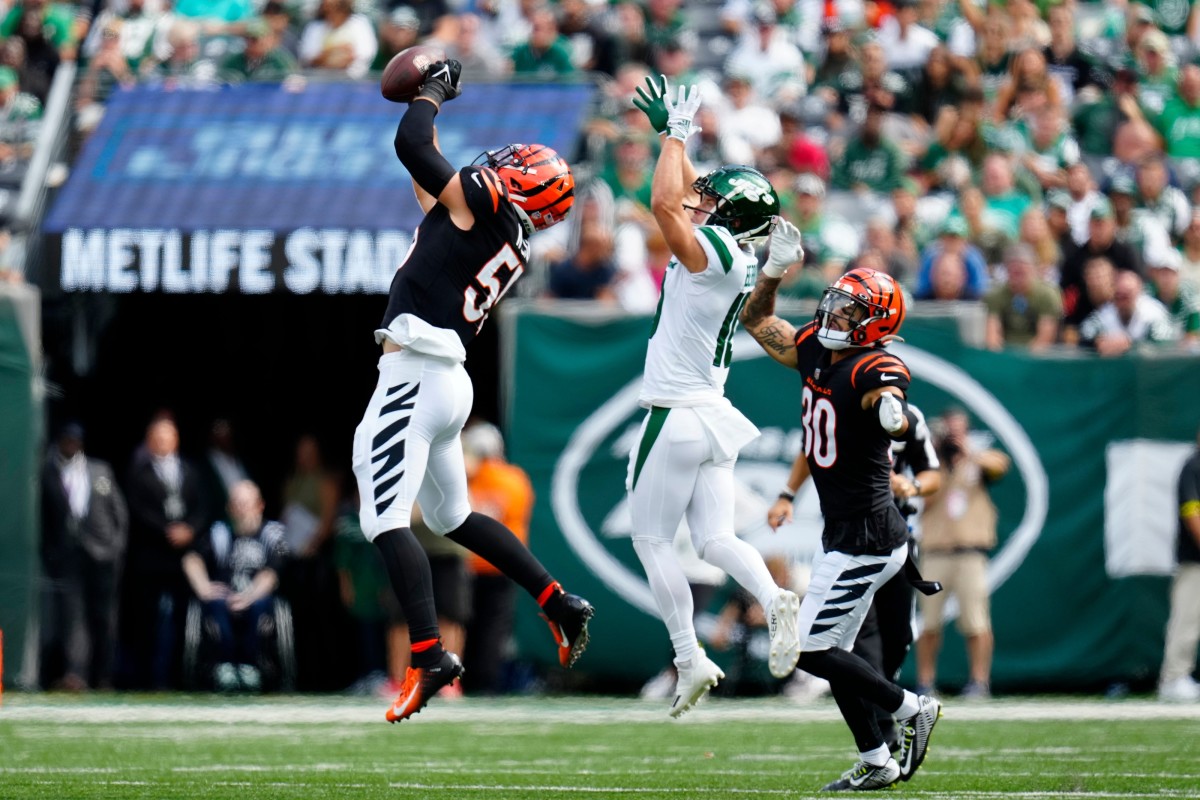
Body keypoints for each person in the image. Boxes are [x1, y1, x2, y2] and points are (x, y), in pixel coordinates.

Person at [354, 58, 592, 723]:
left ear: (517, 184)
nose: (500, 160)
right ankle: (556, 600)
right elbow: (423, 178)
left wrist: (431, 91)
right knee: (453, 516)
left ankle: (429, 654)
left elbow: (412, 145)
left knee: (383, 518)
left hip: (418, 372)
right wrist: (425, 102)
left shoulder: (484, 205)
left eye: (515, 161)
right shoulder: (502, 230)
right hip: (446, 379)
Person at [627, 74, 802, 718]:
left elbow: (668, 208)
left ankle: (688, 656)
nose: (700, 198)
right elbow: (693, 196)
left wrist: (677, 133)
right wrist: (677, 143)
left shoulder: (716, 252)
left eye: (712, 198)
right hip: (710, 415)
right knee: (714, 539)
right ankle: (774, 595)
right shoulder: (736, 249)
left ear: (726, 215)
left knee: (651, 541)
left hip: (674, 414)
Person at [740, 262, 942, 790]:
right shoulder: (815, 348)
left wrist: (892, 413)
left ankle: (911, 707)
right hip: (847, 533)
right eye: (838, 301)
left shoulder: (875, 366)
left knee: (808, 649)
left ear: (875, 322)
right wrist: (775, 272)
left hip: (870, 537)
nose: (836, 312)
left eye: (852, 309)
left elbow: (887, 395)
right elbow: (756, 317)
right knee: (834, 653)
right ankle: (877, 760)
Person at [768, 400, 942, 750]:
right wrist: (787, 494)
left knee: (895, 637)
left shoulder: (907, 417)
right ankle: (886, 733)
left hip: (894, 538)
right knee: (843, 642)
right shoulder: (833, 402)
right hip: (849, 540)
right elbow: (810, 449)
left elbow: (932, 473)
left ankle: (889, 727)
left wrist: (911, 487)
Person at [916, 407, 1010, 699]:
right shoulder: (932, 466)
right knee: (929, 623)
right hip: (935, 552)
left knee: (976, 621)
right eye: (949, 432)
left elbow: (999, 467)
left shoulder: (977, 461)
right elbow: (924, 500)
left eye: (958, 431)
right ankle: (925, 681)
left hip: (971, 553)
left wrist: (965, 451)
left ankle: (979, 681)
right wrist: (936, 454)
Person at [120, 415, 207, 689]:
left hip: (184, 559)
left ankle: (181, 677)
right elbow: (136, 510)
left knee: (184, 619)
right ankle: (147, 679)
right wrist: (166, 531)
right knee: (148, 621)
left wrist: (190, 530)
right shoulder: (138, 473)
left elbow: (203, 506)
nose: (162, 442)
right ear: (149, 441)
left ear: (176, 439)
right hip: (152, 557)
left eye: (167, 436)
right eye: (157, 437)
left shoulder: (191, 470)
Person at [39, 422, 128, 690]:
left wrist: (115, 547)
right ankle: (75, 674)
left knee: (103, 616)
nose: (71, 445)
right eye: (67, 440)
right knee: (72, 616)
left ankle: (104, 675)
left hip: (102, 554)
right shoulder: (49, 471)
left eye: (75, 441)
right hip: (69, 555)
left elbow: (119, 512)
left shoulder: (99, 470)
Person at [182, 480, 286, 692]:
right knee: (215, 602)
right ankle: (225, 664)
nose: (241, 509)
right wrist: (203, 586)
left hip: (258, 597)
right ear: (229, 507)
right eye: (236, 504)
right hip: (224, 597)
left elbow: (272, 573)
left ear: (259, 506)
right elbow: (191, 559)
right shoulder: (218, 532)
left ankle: (250, 664)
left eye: (246, 503)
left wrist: (249, 595)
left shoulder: (272, 534)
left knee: (261, 604)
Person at [461, 421, 535, 695]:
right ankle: (485, 682)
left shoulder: (468, 477)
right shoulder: (514, 478)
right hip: (503, 564)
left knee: (464, 625)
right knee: (493, 628)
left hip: (470, 563)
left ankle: (461, 680)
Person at [1158, 425, 1200, 702]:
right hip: (1195, 560)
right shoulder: (1194, 466)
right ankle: (1174, 679)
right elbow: (1192, 511)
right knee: (1188, 619)